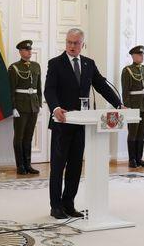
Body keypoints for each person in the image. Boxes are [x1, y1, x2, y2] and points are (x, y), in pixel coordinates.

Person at [44, 28, 122, 219]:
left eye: (76, 43)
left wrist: (118, 104)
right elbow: (49, 90)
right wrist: (55, 108)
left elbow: (101, 86)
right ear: (66, 43)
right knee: (58, 166)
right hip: (62, 122)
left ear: (82, 44)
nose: (72, 46)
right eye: (69, 42)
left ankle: (68, 204)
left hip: (82, 125)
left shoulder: (88, 64)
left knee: (75, 166)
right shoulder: (55, 63)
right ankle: (56, 207)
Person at [8, 40, 42, 175]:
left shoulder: (36, 66)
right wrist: (13, 107)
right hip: (20, 107)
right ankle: (20, 165)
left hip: (33, 106)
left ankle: (28, 165)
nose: (29, 52)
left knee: (29, 137)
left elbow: (39, 86)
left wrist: (39, 103)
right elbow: (11, 89)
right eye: (26, 50)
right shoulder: (14, 67)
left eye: (30, 49)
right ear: (21, 51)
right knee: (19, 137)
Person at [121, 45, 144, 168]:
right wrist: (127, 107)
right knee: (133, 133)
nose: (142, 56)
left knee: (142, 133)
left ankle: (139, 159)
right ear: (133, 56)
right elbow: (125, 91)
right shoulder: (127, 70)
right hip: (133, 106)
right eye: (140, 55)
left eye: (142, 54)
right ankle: (132, 160)